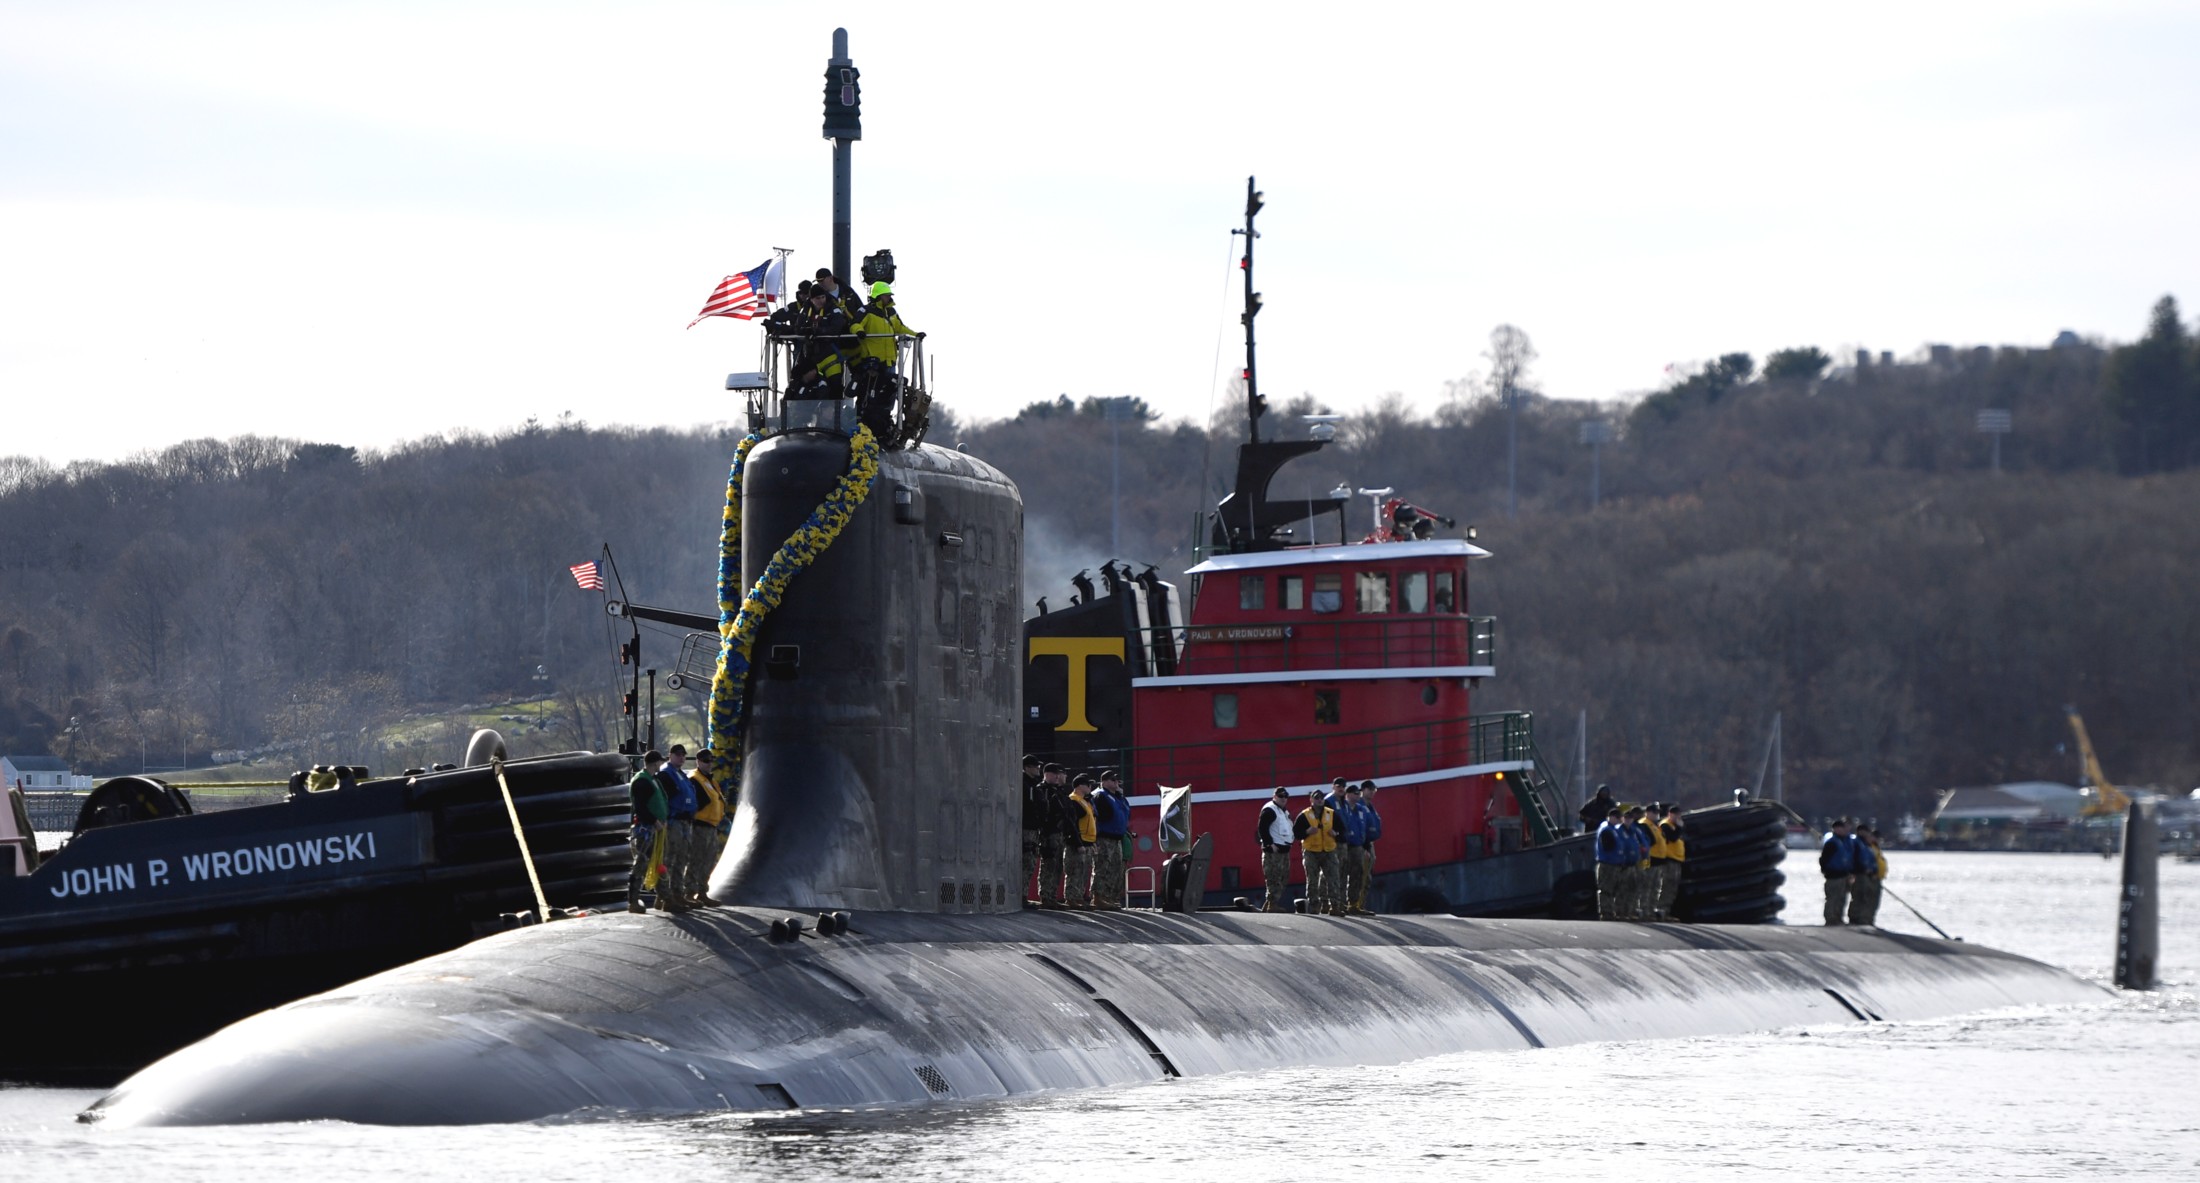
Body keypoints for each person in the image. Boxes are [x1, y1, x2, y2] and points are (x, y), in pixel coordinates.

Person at [849, 282, 919, 434]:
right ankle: (863, 422)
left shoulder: (891, 312)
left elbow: (900, 328)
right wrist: (860, 331)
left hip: (890, 361)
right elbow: (855, 324)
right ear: (878, 296)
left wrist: (916, 335)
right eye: (886, 295)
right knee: (869, 394)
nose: (889, 297)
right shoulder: (867, 311)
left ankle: (883, 421)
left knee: (889, 394)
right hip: (873, 362)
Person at [655, 745, 699, 913]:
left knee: (681, 859)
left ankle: (677, 894)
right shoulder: (666, 774)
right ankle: (665, 897)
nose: (681, 758)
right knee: (670, 859)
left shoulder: (681, 775)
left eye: (683, 755)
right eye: (678, 755)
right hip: (674, 822)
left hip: (685, 823)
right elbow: (665, 799)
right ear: (670, 756)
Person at [626, 751, 669, 914]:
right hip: (645, 829)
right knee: (641, 864)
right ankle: (633, 900)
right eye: (660, 762)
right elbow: (641, 807)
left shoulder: (653, 779)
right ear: (654, 763)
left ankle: (665, 897)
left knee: (658, 862)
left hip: (656, 829)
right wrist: (654, 821)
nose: (661, 765)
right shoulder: (642, 782)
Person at [685, 750, 726, 908]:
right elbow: (697, 803)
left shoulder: (709, 780)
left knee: (708, 861)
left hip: (711, 827)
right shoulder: (694, 779)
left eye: (710, 760)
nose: (709, 763)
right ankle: (689, 892)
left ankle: (702, 892)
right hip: (699, 826)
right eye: (705, 760)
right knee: (696, 859)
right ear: (698, 761)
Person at [1295, 790, 1345, 916]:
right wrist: (1306, 832)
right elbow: (1296, 833)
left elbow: (1343, 831)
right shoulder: (1304, 815)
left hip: (1329, 851)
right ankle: (1314, 907)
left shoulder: (1331, 813)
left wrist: (1336, 834)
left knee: (1333, 878)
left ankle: (1335, 906)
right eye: (1316, 798)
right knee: (1312, 879)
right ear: (1311, 800)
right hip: (1311, 851)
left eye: (1321, 798)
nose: (1319, 800)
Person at [1090, 769, 1130, 910]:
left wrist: (1119, 793)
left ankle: (1109, 897)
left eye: (1117, 780)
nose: (1116, 783)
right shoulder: (1100, 796)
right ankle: (1098, 897)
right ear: (1104, 782)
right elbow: (1101, 816)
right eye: (1113, 780)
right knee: (1102, 867)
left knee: (1116, 868)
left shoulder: (1117, 797)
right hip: (1104, 837)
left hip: (1116, 838)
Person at [1062, 775, 1099, 907]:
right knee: (1075, 871)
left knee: (1083, 872)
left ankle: (1079, 897)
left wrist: (1092, 842)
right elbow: (1073, 824)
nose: (1090, 787)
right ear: (1079, 786)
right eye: (1088, 784)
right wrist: (1077, 842)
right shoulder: (1074, 800)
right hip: (1079, 842)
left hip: (1087, 842)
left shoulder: (1086, 801)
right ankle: (1071, 898)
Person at [1255, 787, 1294, 912]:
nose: (1283, 798)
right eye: (1280, 796)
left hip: (1284, 850)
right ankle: (1272, 904)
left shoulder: (1283, 811)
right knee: (1274, 877)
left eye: (1285, 796)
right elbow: (1262, 828)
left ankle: (1269, 903)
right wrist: (1269, 844)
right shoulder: (1270, 809)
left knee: (1283, 877)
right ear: (1274, 796)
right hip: (1274, 851)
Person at [1038, 763, 1071, 907]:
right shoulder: (1042, 790)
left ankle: (1052, 896)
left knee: (1057, 866)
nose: (1058, 777)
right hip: (1048, 832)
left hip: (1059, 833)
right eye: (1055, 773)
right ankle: (1046, 896)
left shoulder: (1057, 791)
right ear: (1048, 774)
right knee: (1049, 865)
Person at [1338, 784, 1373, 917]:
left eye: (1358, 793)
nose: (1357, 796)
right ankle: (1339, 904)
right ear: (1348, 794)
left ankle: (1354, 904)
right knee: (1341, 874)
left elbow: (1364, 828)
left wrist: (1366, 845)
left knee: (1357, 875)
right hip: (1345, 846)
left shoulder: (1361, 809)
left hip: (1358, 846)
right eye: (1354, 793)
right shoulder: (1343, 808)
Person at [1593, 807, 1633, 920]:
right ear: (1611, 817)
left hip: (1615, 864)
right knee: (1606, 889)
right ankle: (1606, 913)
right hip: (1607, 863)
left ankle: (1615, 912)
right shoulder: (1606, 830)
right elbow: (1608, 847)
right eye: (1618, 818)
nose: (1620, 820)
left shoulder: (1613, 829)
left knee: (1616, 888)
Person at [1820, 818, 1859, 925]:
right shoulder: (1832, 843)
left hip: (1844, 875)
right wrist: (1825, 871)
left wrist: (1851, 872)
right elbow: (1824, 859)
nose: (1844, 830)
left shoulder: (1845, 842)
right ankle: (1830, 918)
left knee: (1842, 898)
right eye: (1841, 828)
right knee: (1833, 898)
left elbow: (1849, 859)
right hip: (1833, 875)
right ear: (1836, 829)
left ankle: (1838, 918)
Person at [1020, 755, 1047, 906]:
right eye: (1035, 766)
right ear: (1027, 767)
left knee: (1030, 863)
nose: (1038, 769)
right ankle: (1021, 896)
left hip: (1034, 827)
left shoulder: (1032, 785)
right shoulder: (1024, 784)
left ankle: (1023, 895)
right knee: (1027, 862)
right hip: (1027, 828)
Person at [1653, 804, 1687, 921]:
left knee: (1672, 887)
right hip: (1668, 860)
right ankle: (1659, 910)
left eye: (1678, 815)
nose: (1677, 817)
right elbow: (1672, 837)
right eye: (1675, 815)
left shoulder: (1675, 825)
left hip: (1677, 860)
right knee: (1666, 886)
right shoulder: (1666, 825)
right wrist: (1679, 828)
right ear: (1670, 814)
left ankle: (1666, 911)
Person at [1849, 825, 1886, 926]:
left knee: (1870, 900)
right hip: (1863, 875)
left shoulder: (1871, 847)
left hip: (1873, 876)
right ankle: (1857, 919)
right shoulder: (1859, 844)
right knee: (1861, 897)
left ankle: (1867, 920)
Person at [1356, 780, 1383, 913]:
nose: (1372, 792)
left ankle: (1361, 904)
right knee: (1360, 875)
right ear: (1363, 790)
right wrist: (1365, 846)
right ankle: (1355, 905)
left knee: (1367, 876)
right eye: (1370, 789)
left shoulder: (1370, 806)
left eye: (1374, 790)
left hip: (1370, 844)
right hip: (1362, 845)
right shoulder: (1358, 805)